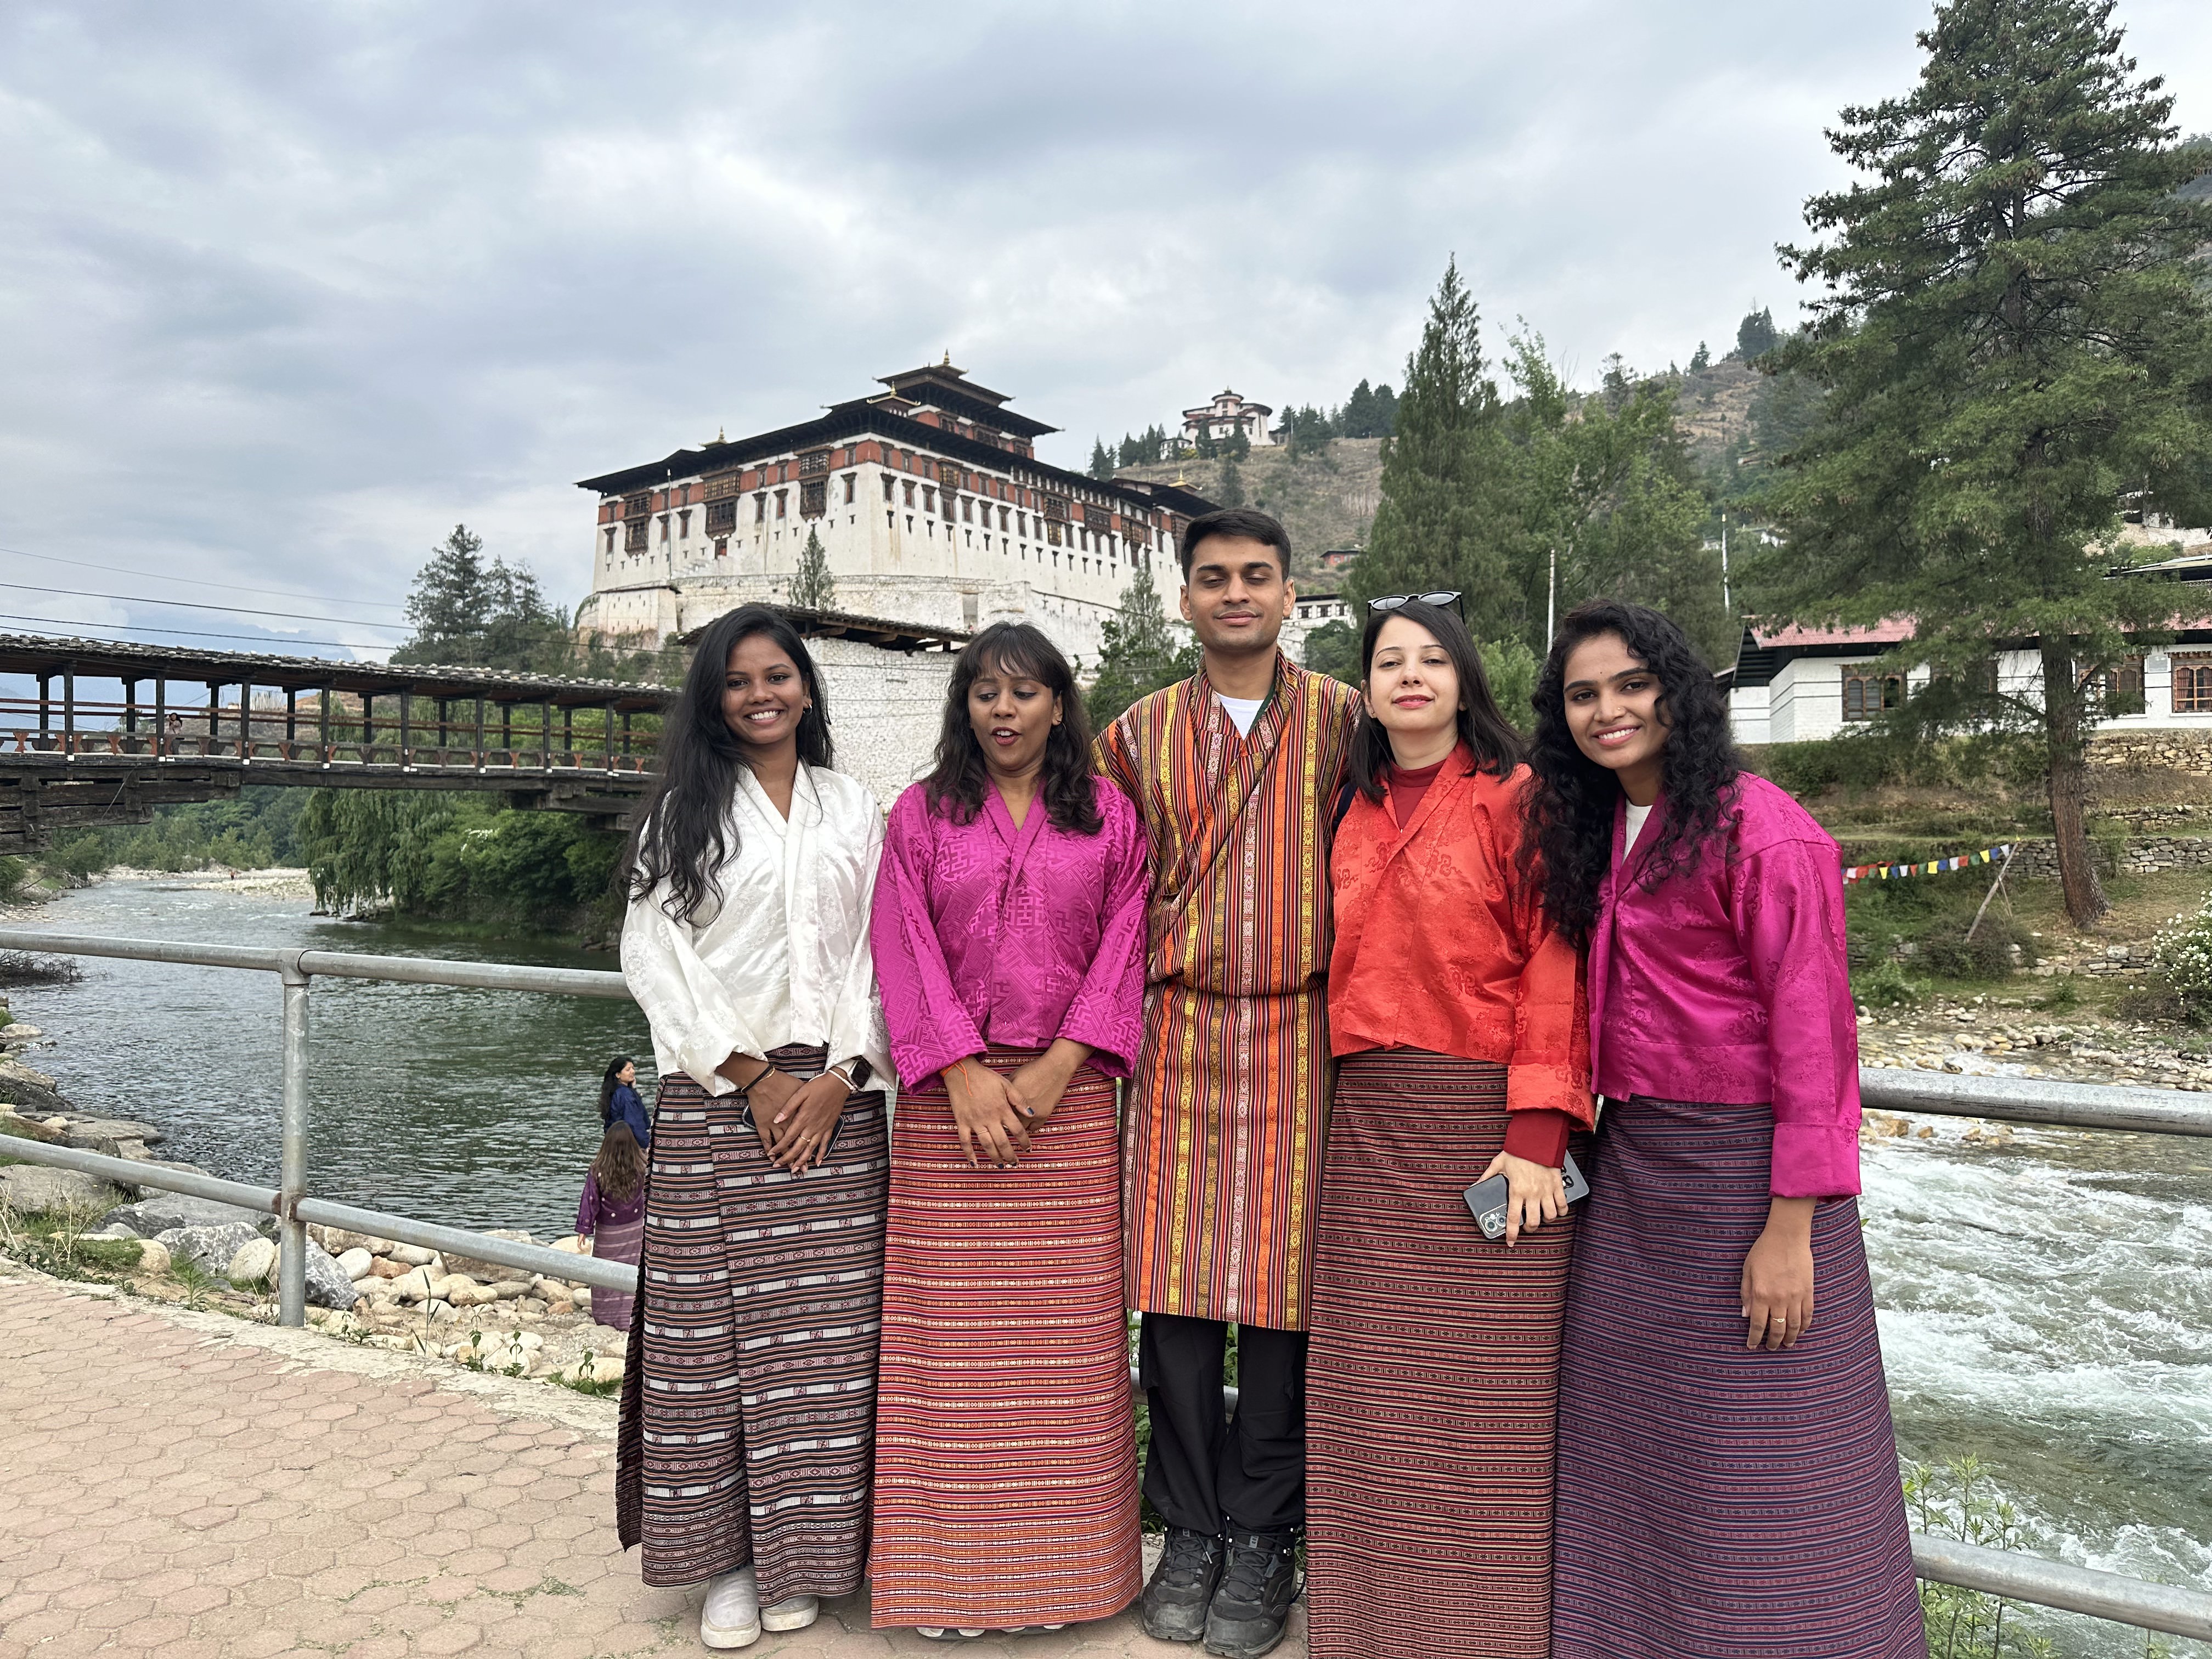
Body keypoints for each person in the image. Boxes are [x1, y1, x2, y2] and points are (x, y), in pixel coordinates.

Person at [1522, 600, 1923, 1659]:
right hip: (1636, 1170)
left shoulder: (1765, 828)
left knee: (1768, 1460)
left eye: (1629, 683)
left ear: (1676, 689)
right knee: (1637, 1448)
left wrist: (1790, 1225)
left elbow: (1815, 1043)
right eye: (1581, 694)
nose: (1608, 710)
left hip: (1748, 1181)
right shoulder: (1598, 827)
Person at [1303, 596, 1594, 1659]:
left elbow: (1557, 959)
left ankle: (1487, 1636)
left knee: (1485, 1407)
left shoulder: (1518, 799)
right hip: (1372, 1127)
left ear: (1467, 679)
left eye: (1433, 658)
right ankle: (1373, 1629)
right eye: (1389, 661)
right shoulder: (1353, 804)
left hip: (1492, 1132)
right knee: (1375, 1399)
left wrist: (1537, 1134)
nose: (1411, 676)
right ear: (1366, 689)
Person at [1094, 507, 1361, 1659]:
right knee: (1182, 1296)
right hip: (1181, 1029)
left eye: (1257, 576)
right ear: (1185, 599)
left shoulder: (1348, 722)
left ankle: (1265, 1529)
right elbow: (1101, 894)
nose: (1236, 594)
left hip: (1306, 1028)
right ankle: (1190, 1524)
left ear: (1291, 594)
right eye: (1214, 579)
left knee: (1290, 1295)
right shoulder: (1133, 737)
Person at [614, 605, 892, 1654]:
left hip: (842, 1105)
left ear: (807, 690)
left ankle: (811, 1557)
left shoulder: (853, 807)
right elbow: (654, 954)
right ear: (714, 699)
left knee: (828, 1346)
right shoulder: (681, 814)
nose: (760, 693)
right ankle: (728, 1558)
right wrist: (749, 1075)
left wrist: (845, 1072)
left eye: (778, 675)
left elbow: (884, 948)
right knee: (714, 1345)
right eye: (738, 680)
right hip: (719, 1099)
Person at [867, 620, 1149, 1641]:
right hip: (949, 1114)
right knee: (949, 1354)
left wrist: (1061, 1063)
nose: (1004, 709)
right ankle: (948, 1583)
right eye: (985, 691)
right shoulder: (920, 814)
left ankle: (1067, 1578)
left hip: (1066, 1109)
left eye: (1025, 691)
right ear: (964, 706)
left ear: (1059, 704)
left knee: (1064, 1354)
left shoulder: (1110, 815)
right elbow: (899, 943)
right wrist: (957, 1070)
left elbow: (1127, 942)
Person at [575, 1122, 647, 1331]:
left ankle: (606, 1316)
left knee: (604, 1270)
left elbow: (590, 1200)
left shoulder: (598, 1169)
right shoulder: (642, 1166)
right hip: (636, 1229)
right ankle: (631, 1316)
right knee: (632, 1270)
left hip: (609, 1233)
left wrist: (583, 1229)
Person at [599, 1054, 651, 1148]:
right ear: (618, 1074)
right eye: (628, 1070)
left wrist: (633, 1089)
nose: (633, 1072)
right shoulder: (626, 1095)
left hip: (615, 1144)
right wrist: (648, 1146)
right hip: (630, 1147)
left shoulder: (614, 1092)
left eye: (633, 1068)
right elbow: (634, 1123)